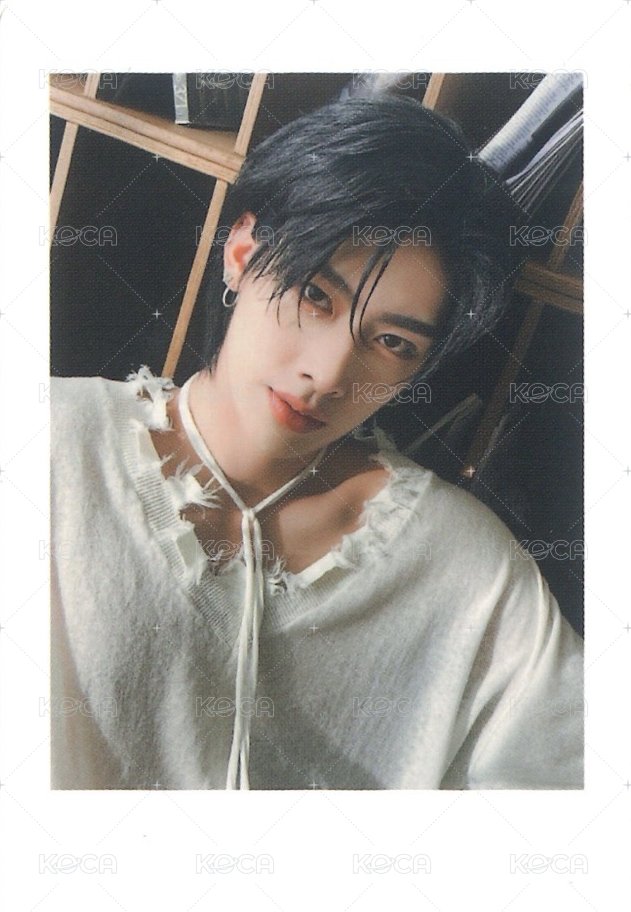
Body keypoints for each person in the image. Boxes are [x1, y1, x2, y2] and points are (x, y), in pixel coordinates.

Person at [50, 92, 583, 791]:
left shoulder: (466, 566)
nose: (328, 374)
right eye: (315, 296)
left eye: (392, 342)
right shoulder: (53, 441)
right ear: (241, 253)